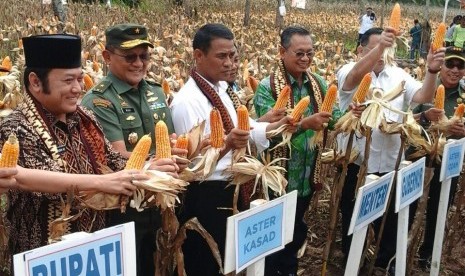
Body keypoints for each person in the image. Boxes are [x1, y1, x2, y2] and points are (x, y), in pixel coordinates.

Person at [0, 34, 164, 265]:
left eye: (80, 79)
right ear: (36, 82)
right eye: (68, 81)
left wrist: (148, 167)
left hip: (93, 251)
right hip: (44, 256)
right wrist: (102, 182)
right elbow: (27, 179)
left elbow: (111, 160)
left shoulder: (85, 117)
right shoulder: (16, 127)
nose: (78, 88)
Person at [170, 23, 294, 276]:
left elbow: (247, 128)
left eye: (232, 56)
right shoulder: (188, 102)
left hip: (232, 190)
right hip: (207, 196)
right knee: (208, 263)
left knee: (231, 261)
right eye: (221, 56)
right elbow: (191, 167)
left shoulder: (223, 90)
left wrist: (279, 126)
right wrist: (227, 145)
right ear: (198, 56)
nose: (230, 63)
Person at [336, 27, 445, 274]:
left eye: (386, 47)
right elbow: (354, 76)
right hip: (358, 165)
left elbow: (424, 94)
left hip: (391, 166)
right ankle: (353, 264)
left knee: (390, 225)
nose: (382, 53)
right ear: (361, 50)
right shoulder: (348, 71)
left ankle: (384, 265)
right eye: (375, 47)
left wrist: (431, 70)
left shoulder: (399, 75)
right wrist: (379, 48)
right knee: (354, 222)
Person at [81, 23, 183, 276]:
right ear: (106, 57)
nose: (139, 63)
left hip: (160, 203)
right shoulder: (100, 100)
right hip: (124, 207)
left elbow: (168, 142)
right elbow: (115, 156)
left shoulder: (156, 92)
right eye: (130, 57)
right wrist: (156, 163)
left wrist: (181, 149)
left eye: (144, 56)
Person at [253, 26, 337, 276]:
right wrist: (303, 125)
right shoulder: (267, 87)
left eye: (310, 54)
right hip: (277, 177)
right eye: (299, 53)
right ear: (282, 52)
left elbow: (332, 116)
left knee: (295, 230)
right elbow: (269, 131)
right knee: (272, 235)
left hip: (306, 177)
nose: (305, 59)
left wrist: (350, 117)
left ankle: (289, 269)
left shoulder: (317, 84)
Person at [410, 46, 465, 270]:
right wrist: (425, 118)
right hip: (417, 155)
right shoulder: (425, 89)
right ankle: (394, 252)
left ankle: (427, 256)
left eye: (460, 66)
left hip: (448, 160)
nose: (455, 70)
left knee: (439, 209)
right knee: (408, 205)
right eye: (450, 64)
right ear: (440, 65)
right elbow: (405, 120)